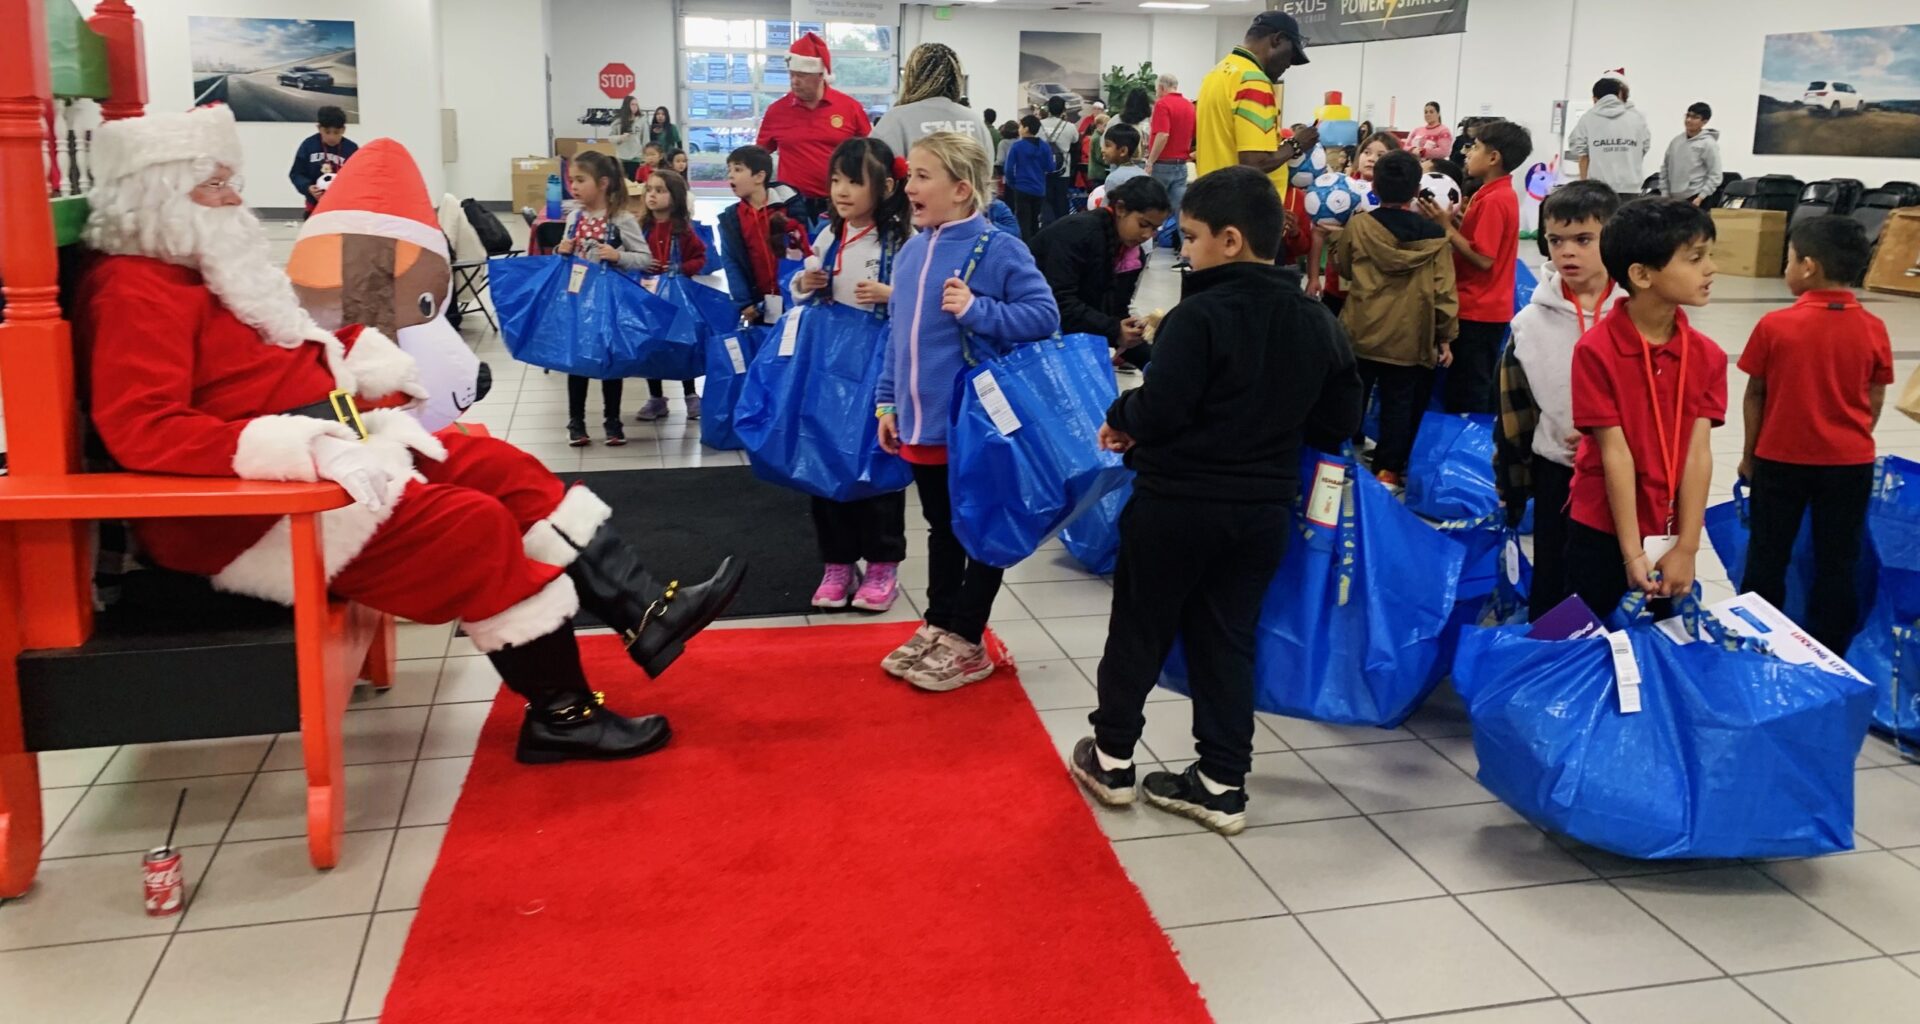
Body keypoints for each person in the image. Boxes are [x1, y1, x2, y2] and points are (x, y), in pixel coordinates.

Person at [78, 104, 744, 766]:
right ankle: (562, 716)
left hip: (330, 449)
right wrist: (301, 447)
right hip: (254, 507)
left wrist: (359, 361)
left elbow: (275, 357)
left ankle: (643, 610)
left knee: (496, 466)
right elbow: (145, 428)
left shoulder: (203, 268)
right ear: (160, 194)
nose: (236, 197)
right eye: (217, 183)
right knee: (471, 527)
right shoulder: (134, 291)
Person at [1070, 165, 1361, 835]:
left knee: (1140, 629)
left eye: (1193, 236)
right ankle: (1221, 780)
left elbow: (1163, 408)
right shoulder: (1316, 320)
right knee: (1228, 641)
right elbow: (1339, 419)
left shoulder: (1197, 316)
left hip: (1177, 504)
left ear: (1230, 240)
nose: (1187, 249)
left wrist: (1123, 413)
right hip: (1262, 512)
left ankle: (1113, 758)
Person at [875, 132, 1058, 692]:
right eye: (911, 176)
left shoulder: (999, 248)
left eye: (923, 177)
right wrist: (888, 400)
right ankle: (939, 622)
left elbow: (1043, 314)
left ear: (961, 189)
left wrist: (978, 311)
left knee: (979, 527)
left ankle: (968, 636)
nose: (910, 187)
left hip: (975, 425)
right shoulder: (910, 251)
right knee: (941, 528)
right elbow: (896, 336)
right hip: (921, 423)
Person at [1565, 199, 1724, 618]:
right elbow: (1614, 453)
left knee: (1660, 645)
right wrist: (1632, 554)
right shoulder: (1596, 351)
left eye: (1709, 255)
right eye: (1695, 258)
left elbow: (1697, 453)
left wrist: (1687, 547)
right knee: (1599, 642)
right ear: (1641, 274)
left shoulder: (1707, 356)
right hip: (1602, 527)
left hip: (1668, 529)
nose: (1710, 269)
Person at [1738, 216, 1891, 654]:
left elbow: (1756, 396)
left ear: (1808, 266)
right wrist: (1853, 437)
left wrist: (1750, 455)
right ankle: (1831, 654)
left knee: (1767, 555)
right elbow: (1874, 396)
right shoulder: (1874, 328)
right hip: (1850, 464)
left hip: (1780, 460)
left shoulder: (1775, 326)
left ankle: (1759, 642)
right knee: (1838, 561)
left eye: (1789, 259)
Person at [790, 138, 915, 614]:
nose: (841, 191)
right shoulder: (829, 235)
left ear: (885, 186)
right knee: (826, 461)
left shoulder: (902, 241)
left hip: (881, 369)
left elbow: (921, 302)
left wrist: (890, 293)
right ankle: (837, 563)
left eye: (854, 181)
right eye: (836, 180)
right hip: (831, 369)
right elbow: (801, 290)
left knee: (879, 459)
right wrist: (807, 284)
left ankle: (883, 563)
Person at [1496, 182, 1624, 619]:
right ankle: (1548, 670)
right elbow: (1513, 412)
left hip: (1624, 470)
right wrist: (1510, 486)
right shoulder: (1529, 322)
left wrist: (1612, 438)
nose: (1567, 252)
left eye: (1584, 239)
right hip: (1557, 469)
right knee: (1552, 575)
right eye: (1556, 240)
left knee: (1609, 580)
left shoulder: (1638, 312)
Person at [1332, 150, 1456, 489]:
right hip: (1409, 338)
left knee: (1351, 396)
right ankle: (1387, 471)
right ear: (1417, 189)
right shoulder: (1435, 238)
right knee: (1398, 405)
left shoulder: (1359, 226)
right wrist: (1444, 337)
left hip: (1360, 330)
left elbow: (1342, 266)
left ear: (1374, 185)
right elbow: (1444, 293)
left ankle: (1338, 461)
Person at [1421, 118, 1530, 414]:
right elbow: (1475, 237)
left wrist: (1446, 227)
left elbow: (1483, 258)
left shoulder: (1496, 199)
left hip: (1480, 309)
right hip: (1477, 305)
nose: (1468, 153)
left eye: (1476, 147)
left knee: (1469, 387)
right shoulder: (1488, 192)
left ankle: (1469, 446)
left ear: (1494, 158)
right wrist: (1455, 222)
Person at [555, 152, 652, 447]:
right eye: (572, 180)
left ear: (603, 183)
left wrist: (618, 255)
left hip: (610, 302)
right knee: (578, 361)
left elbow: (645, 258)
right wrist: (562, 249)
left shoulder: (621, 218)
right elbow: (563, 260)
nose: (574, 186)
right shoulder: (574, 218)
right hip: (577, 298)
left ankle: (612, 421)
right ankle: (576, 421)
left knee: (611, 360)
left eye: (581, 180)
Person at [1031, 175, 1168, 369]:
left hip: (1074, 338)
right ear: (1120, 209)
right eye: (1143, 224)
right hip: (1035, 336)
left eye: (1154, 229)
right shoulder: (1078, 233)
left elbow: (1114, 309)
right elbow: (1059, 302)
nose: (1147, 235)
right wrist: (1114, 330)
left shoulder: (1132, 255)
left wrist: (1131, 335)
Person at [1196, 11, 1318, 204]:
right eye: (1290, 55)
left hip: (1211, 198)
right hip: (1241, 209)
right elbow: (1254, 163)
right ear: (1277, 39)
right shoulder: (1253, 81)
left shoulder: (1217, 73)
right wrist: (1296, 145)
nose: (1288, 64)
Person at [755, 31, 873, 222]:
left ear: (820, 75)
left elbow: (871, 153)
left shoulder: (849, 108)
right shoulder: (776, 112)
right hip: (792, 203)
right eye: (792, 74)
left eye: (801, 75)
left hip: (840, 202)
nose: (794, 81)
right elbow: (759, 157)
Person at [634, 169, 706, 421]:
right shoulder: (641, 228)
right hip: (647, 296)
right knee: (650, 346)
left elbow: (700, 257)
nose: (652, 195)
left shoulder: (683, 231)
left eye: (660, 190)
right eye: (649, 190)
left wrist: (681, 269)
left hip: (677, 300)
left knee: (681, 344)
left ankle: (690, 395)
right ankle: (656, 399)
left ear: (675, 198)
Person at [716, 145, 812, 326]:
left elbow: (805, 251)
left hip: (795, 297)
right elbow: (731, 263)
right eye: (729, 170)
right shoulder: (731, 220)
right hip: (759, 303)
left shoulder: (790, 208)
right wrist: (744, 301)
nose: (730, 175)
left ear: (759, 177)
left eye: (738, 169)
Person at [1307, 131, 1400, 312]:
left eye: (1381, 155)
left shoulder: (1395, 196)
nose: (1371, 159)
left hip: (1375, 288)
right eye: (1367, 152)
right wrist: (1313, 278)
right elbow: (1318, 233)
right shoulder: (1339, 188)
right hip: (1337, 285)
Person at [870, 42, 994, 157]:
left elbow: (874, 167)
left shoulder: (895, 119)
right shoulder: (974, 120)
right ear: (956, 78)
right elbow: (986, 169)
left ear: (911, 76)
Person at [1569, 71, 1651, 197]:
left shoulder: (1587, 119)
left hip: (1598, 190)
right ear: (1619, 94)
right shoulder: (1636, 118)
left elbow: (1582, 155)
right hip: (1631, 188)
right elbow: (1644, 147)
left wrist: (1583, 185)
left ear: (1594, 99)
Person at [289, 105, 356, 219]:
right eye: (327, 132)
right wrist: (308, 187)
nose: (331, 137)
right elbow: (296, 173)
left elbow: (358, 177)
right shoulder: (308, 146)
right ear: (319, 128)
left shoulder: (351, 149)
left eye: (336, 132)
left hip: (342, 208)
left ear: (343, 130)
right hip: (314, 207)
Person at [1145, 73, 1196, 218]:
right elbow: (1194, 133)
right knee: (1181, 212)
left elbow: (1163, 135)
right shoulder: (1189, 105)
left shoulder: (1162, 104)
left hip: (1162, 164)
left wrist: (1150, 162)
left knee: (1152, 209)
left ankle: (1150, 240)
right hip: (1181, 165)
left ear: (1161, 87)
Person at [1656, 102, 1723, 206]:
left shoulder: (1708, 144)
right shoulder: (1676, 141)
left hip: (1695, 198)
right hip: (1673, 198)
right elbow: (1665, 167)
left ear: (1704, 122)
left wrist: (1701, 196)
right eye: (1688, 116)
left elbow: (1715, 174)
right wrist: (1664, 193)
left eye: (1695, 117)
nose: (1688, 120)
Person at [1002, 115, 1053, 240]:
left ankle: (1025, 248)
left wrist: (1012, 183)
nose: (1019, 129)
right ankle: (1035, 248)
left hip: (1022, 188)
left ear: (1026, 128)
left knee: (1022, 222)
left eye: (1020, 126)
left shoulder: (1017, 146)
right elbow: (1050, 167)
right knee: (1035, 221)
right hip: (1039, 189)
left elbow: (1008, 169)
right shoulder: (1045, 146)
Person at [1037, 95, 1079, 227]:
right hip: (1063, 171)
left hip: (1043, 170)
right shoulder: (1070, 127)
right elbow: (1075, 141)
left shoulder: (1039, 125)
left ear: (1048, 108)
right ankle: (1062, 228)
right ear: (1063, 110)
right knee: (1061, 202)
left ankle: (1046, 228)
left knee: (1045, 202)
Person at [612, 96, 649, 180]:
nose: (635, 106)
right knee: (621, 183)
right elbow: (611, 137)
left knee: (635, 182)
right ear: (626, 105)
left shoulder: (642, 120)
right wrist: (620, 137)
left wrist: (645, 157)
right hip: (621, 157)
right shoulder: (618, 120)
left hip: (636, 157)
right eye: (632, 104)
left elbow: (645, 139)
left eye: (636, 104)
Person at [1100, 123, 1146, 190]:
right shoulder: (1143, 174)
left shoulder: (1113, 179)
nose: (1102, 150)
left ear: (1123, 151)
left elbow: (1110, 200)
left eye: (1107, 145)